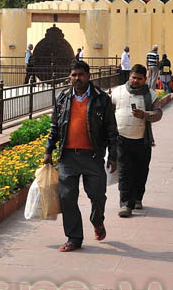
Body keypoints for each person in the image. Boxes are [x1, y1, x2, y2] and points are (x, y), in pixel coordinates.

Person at [44, 60, 119, 252]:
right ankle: (74, 237)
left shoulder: (102, 99)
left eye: (81, 75)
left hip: (93, 156)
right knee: (67, 197)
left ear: (88, 76)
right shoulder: (62, 98)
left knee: (97, 195)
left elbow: (111, 129)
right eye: (74, 75)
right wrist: (48, 150)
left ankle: (97, 220)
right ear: (70, 77)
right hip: (68, 157)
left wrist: (113, 155)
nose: (77, 78)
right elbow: (54, 127)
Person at [111, 63, 162, 217]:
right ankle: (126, 205)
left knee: (141, 171)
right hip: (122, 139)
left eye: (139, 79)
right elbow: (107, 109)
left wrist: (145, 115)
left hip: (142, 141)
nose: (136, 81)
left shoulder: (151, 95)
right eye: (134, 77)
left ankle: (137, 198)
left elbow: (158, 114)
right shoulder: (117, 91)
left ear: (145, 79)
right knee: (124, 172)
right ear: (129, 76)